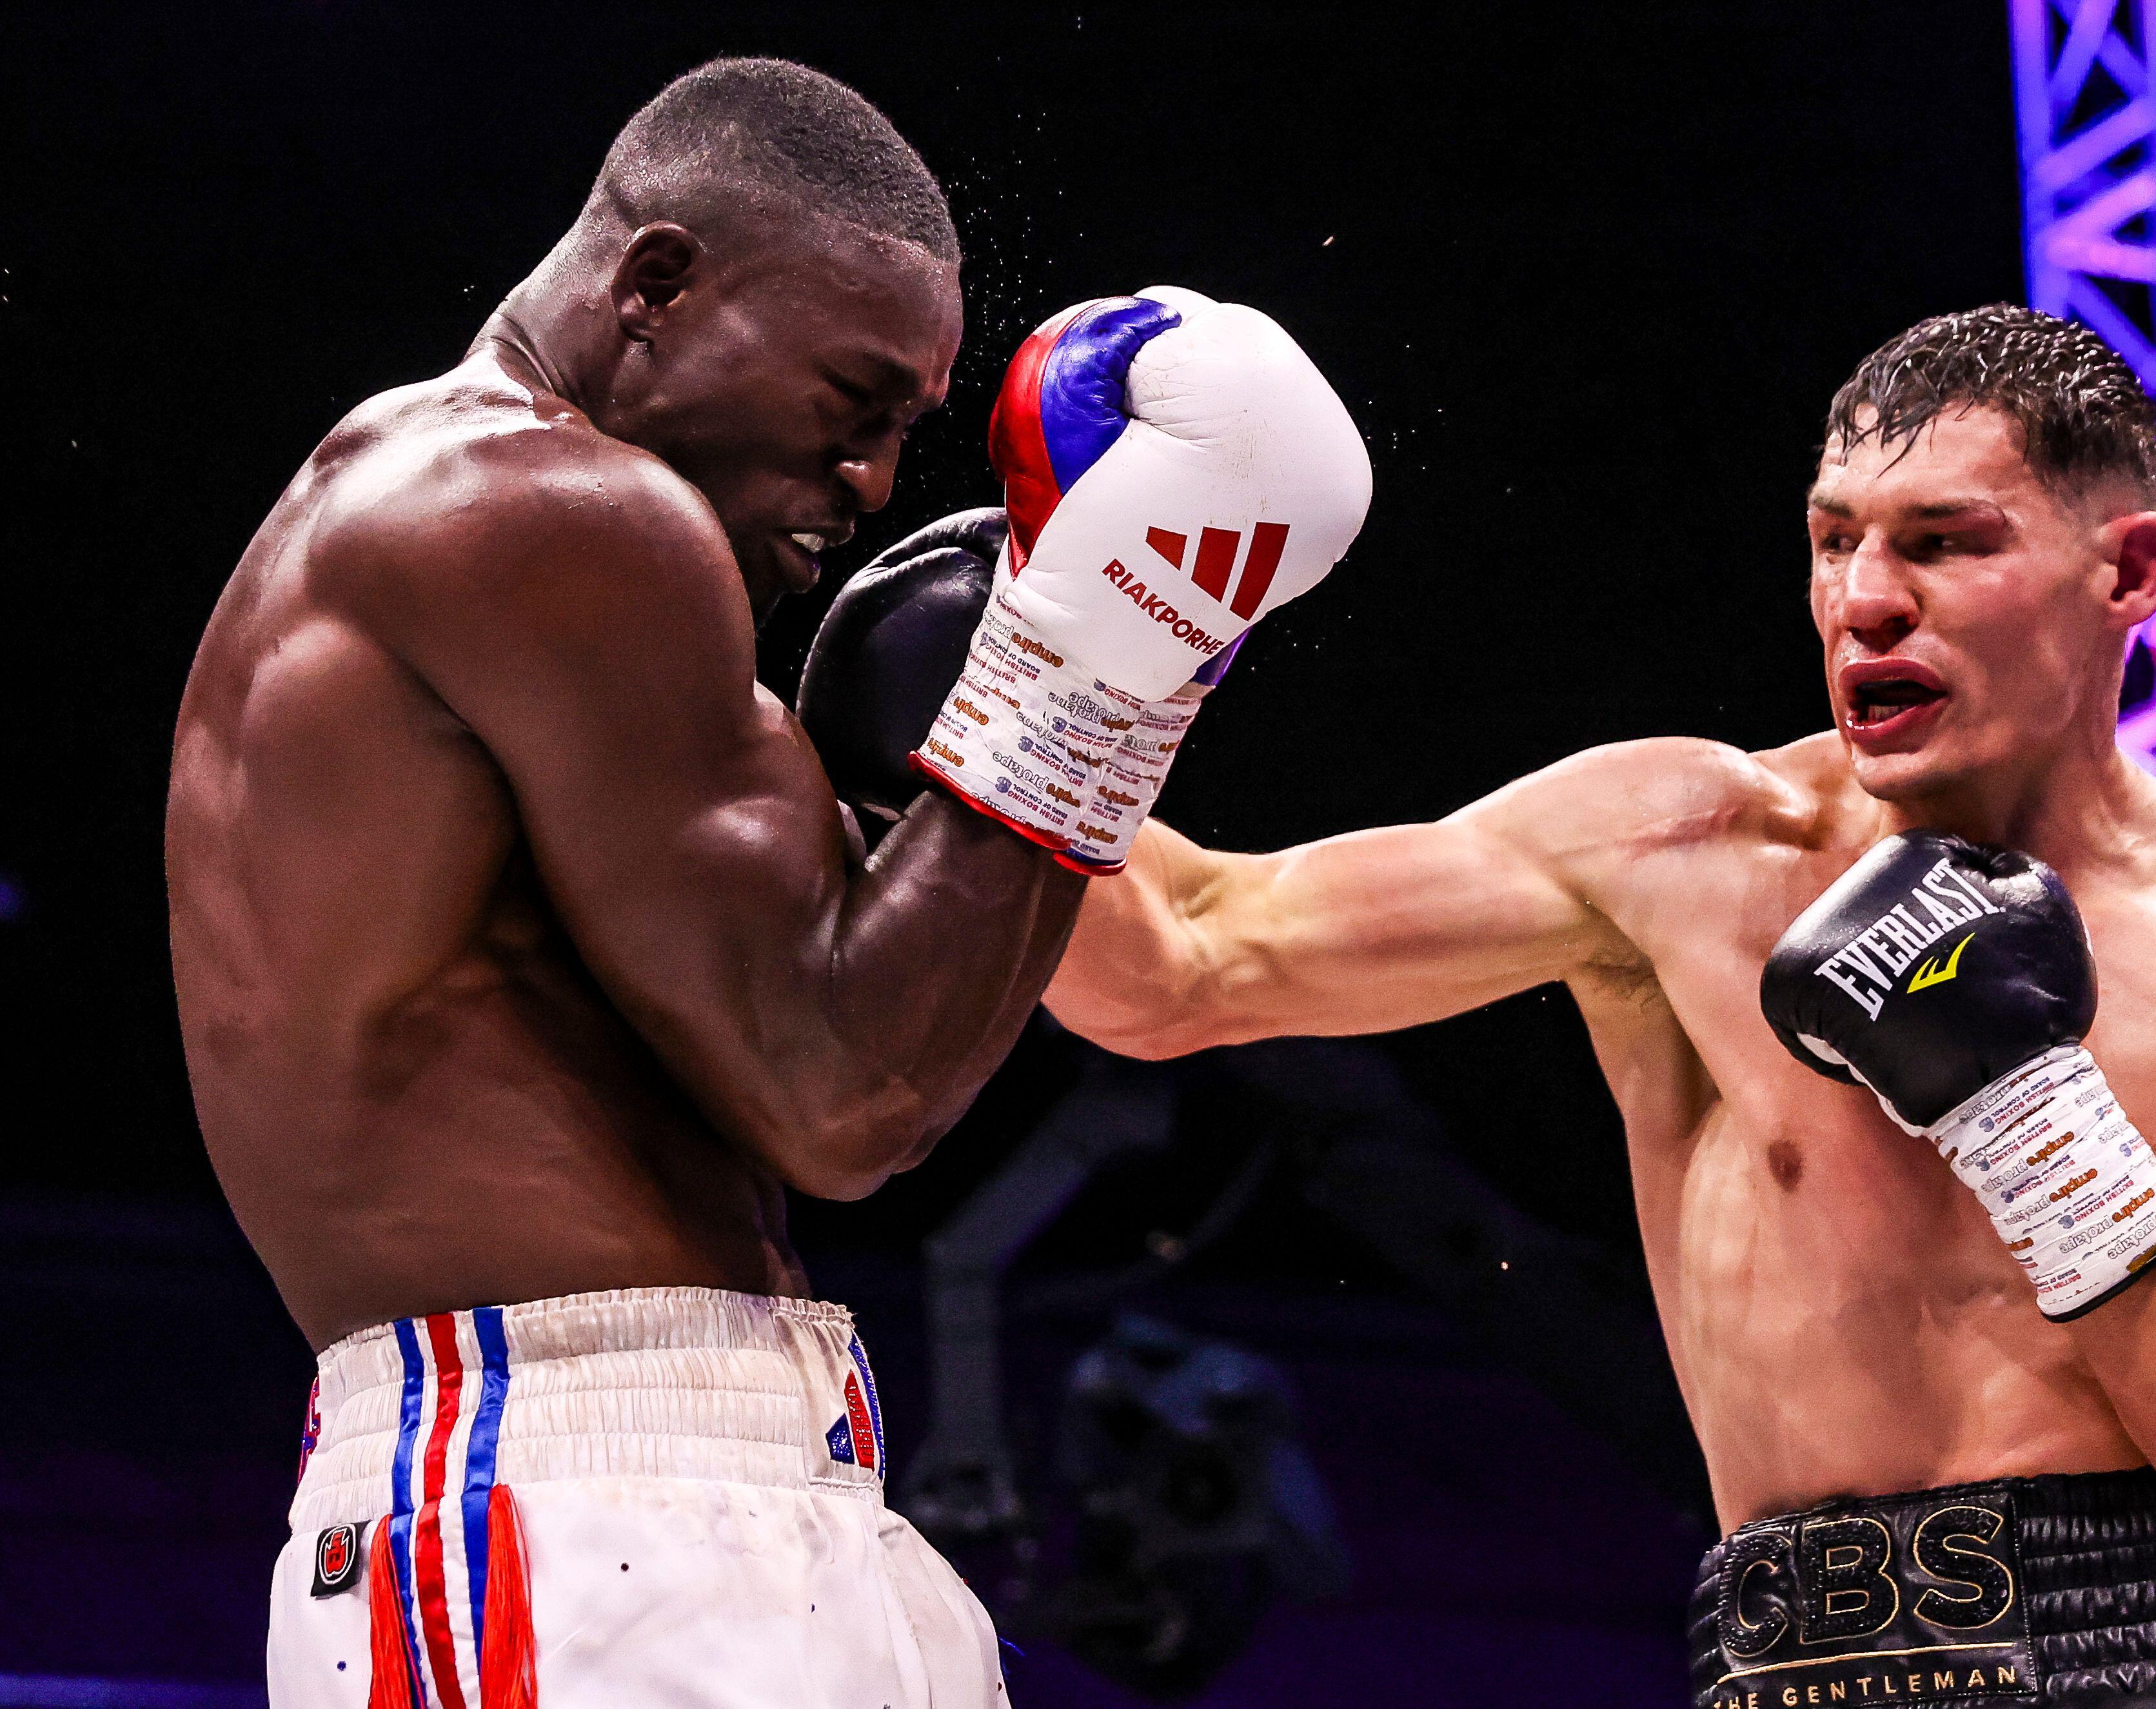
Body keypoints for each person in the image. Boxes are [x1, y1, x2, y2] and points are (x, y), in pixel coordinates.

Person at [1046, 305, 2156, 1708]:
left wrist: (2034, 1117)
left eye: (1944, 541)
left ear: (2130, 571)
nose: (1863, 600)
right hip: (1791, 1669)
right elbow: (1177, 961)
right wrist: (1046, 653)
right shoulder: (1686, 853)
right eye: (1835, 537)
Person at [165, 57, 1366, 1709]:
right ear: (656, 284)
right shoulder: (541, 510)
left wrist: (1072, 674)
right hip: (574, 1514)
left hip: (675, 1494)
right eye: (850, 403)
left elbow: (852, 1018)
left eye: (903, 433)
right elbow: (846, 1090)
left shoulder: (453, 524)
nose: (874, 483)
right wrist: (1108, 661)